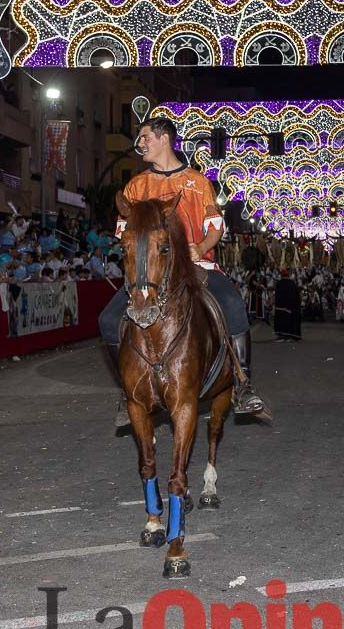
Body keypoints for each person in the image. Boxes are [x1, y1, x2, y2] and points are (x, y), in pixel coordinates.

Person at [97, 116, 265, 416]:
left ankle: (243, 383)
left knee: (233, 304)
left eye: (145, 137)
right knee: (108, 320)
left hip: (197, 265)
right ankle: (127, 390)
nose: (140, 143)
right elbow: (125, 232)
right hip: (151, 272)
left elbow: (215, 227)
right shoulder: (136, 186)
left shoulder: (197, 182)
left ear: (164, 139)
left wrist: (200, 247)